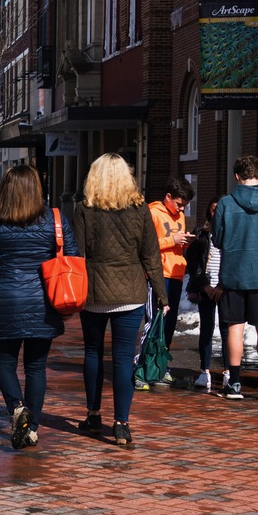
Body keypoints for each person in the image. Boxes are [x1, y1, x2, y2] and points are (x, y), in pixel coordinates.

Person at [0, 165, 78, 450]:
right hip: (43, 301)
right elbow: (73, 257)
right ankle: (33, 428)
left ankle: (17, 409)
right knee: (36, 367)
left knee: (3, 363)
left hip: (6, 300)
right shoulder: (54, 219)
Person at [72, 154, 167, 447]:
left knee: (93, 352)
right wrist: (162, 295)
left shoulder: (84, 209)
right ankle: (122, 424)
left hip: (94, 292)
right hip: (130, 292)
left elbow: (78, 255)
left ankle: (93, 414)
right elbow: (151, 255)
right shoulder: (140, 210)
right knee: (124, 358)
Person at [205, 155, 258, 401]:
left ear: (237, 177)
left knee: (234, 328)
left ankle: (234, 383)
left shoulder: (226, 204)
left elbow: (217, 239)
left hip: (234, 273)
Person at [142, 177, 195, 388]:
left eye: (184, 206)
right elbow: (146, 245)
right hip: (158, 273)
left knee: (170, 324)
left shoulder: (180, 216)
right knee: (156, 322)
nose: (181, 208)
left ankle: (161, 365)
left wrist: (185, 243)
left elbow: (177, 243)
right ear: (168, 197)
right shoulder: (153, 212)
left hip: (176, 273)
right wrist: (171, 241)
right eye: (179, 203)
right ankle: (146, 367)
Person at [185, 199, 229, 392]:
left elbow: (235, 262)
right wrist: (205, 285)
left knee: (228, 331)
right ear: (209, 213)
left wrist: (222, 285)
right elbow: (193, 263)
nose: (217, 213)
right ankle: (205, 371)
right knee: (207, 329)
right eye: (213, 209)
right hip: (206, 286)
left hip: (226, 287)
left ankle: (229, 372)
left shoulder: (232, 233)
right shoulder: (202, 234)